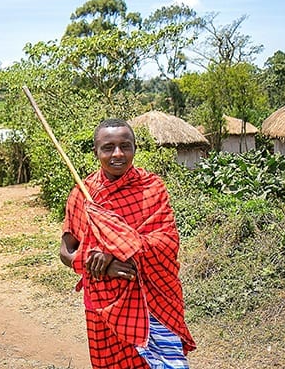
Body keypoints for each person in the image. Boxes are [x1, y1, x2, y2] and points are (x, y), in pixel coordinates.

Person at [60, 118, 195, 369]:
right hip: (103, 303)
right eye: (108, 147)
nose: (118, 154)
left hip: (154, 298)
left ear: (135, 148)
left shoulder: (152, 187)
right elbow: (66, 251)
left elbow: (166, 241)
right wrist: (99, 264)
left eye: (125, 146)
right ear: (96, 152)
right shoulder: (83, 194)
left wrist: (113, 252)